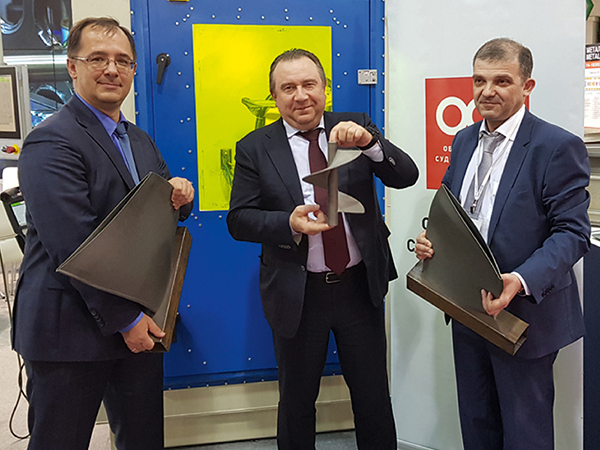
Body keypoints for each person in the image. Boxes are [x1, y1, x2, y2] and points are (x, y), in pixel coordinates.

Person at [12, 17, 194, 449]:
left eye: (122, 61)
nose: (112, 69)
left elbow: (162, 212)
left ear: (133, 70)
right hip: (70, 329)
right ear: (72, 67)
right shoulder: (50, 141)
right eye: (97, 58)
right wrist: (126, 320)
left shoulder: (139, 140)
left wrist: (182, 195)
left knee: (143, 439)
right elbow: (73, 243)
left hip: (138, 323)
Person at [227, 48, 418, 450]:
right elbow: (239, 219)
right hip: (297, 294)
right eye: (288, 88)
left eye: (309, 84)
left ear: (325, 89)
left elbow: (406, 176)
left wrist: (371, 144)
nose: (301, 96)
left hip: (358, 288)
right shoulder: (254, 147)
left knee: (372, 398)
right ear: (274, 96)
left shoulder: (355, 127)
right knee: (296, 404)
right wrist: (288, 223)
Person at [415, 38, 590, 450]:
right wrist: (433, 241)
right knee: (477, 424)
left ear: (527, 86)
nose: (487, 91)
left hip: (525, 316)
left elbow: (572, 233)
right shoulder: (463, 140)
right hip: (467, 309)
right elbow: (454, 212)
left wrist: (520, 280)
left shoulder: (555, 146)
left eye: (501, 81)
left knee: (525, 433)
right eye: (479, 80)